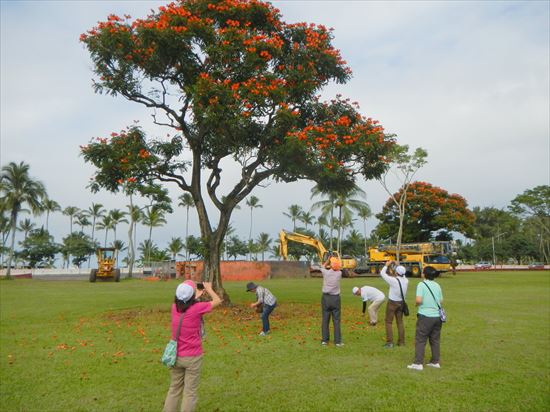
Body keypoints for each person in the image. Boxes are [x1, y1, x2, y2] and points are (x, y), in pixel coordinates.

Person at [163, 280, 222, 412]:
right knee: (190, 392)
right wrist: (209, 288)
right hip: (192, 357)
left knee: (174, 389)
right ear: (192, 296)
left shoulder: (174, 307)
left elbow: (185, 301)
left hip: (176, 356)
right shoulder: (197, 308)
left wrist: (197, 294)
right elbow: (217, 301)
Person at [407, 266, 444, 371]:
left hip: (425, 316)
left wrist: (416, 304)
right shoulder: (437, 285)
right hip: (437, 316)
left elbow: (419, 300)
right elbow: (441, 301)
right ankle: (435, 361)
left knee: (420, 339)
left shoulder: (421, 284)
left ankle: (418, 363)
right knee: (435, 340)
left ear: (424, 274)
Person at [380, 260, 409, 348]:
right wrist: (398, 265)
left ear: (396, 272)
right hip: (401, 303)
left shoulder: (393, 281)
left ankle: (390, 342)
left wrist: (386, 265)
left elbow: (382, 273)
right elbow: (401, 272)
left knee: (388, 322)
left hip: (392, 303)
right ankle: (401, 342)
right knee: (400, 322)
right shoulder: (406, 280)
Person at [320, 255, 343, 347]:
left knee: (325, 319)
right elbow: (339, 267)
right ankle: (337, 341)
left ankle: (324, 340)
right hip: (335, 298)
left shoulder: (326, 273)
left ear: (331, 265)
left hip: (326, 298)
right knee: (336, 320)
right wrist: (336, 260)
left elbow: (322, 266)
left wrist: (328, 260)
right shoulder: (339, 274)